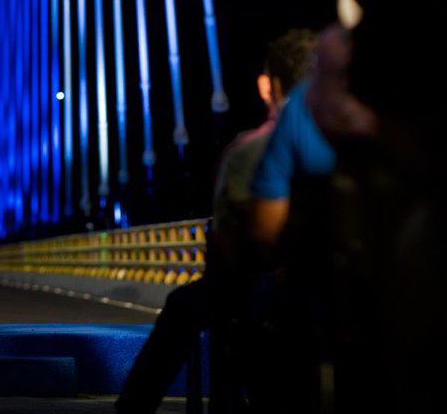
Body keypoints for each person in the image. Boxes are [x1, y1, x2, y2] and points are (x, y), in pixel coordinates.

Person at [115, 29, 316, 414]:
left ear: (266, 86)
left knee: (185, 305)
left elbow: (228, 245)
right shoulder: (354, 142)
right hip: (340, 294)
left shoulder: (252, 150)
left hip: (266, 295)